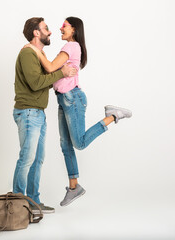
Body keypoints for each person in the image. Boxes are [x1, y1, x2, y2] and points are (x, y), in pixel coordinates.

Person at [24, 17, 132, 206]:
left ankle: (113, 115)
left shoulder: (71, 47)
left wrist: (33, 49)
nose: (60, 28)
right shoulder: (69, 48)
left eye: (64, 26)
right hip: (63, 99)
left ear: (74, 30)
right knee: (65, 146)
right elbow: (53, 72)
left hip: (72, 99)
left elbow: (49, 67)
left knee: (79, 143)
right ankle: (74, 188)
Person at [13, 17, 77, 214]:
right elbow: (36, 83)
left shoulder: (38, 54)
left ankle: (33, 202)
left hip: (38, 114)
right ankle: (17, 203)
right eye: (46, 28)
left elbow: (44, 80)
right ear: (36, 33)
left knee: (38, 159)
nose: (50, 32)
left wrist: (61, 76)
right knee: (27, 158)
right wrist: (62, 73)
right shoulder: (27, 54)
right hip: (28, 112)